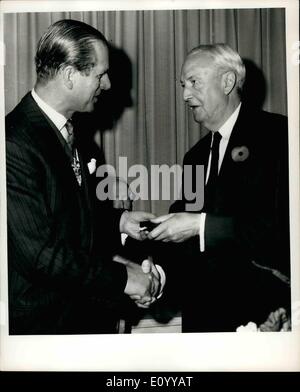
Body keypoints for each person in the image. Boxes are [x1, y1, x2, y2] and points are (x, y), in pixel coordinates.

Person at [5, 19, 162, 335]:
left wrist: (119, 221)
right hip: (44, 331)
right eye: (100, 75)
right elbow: (41, 254)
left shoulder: (72, 133)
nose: (107, 85)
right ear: (68, 76)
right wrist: (125, 279)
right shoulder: (13, 143)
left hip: (81, 319)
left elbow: (67, 215)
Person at [148, 44, 290, 332]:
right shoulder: (194, 157)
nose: (185, 95)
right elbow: (182, 233)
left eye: (194, 82)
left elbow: (282, 230)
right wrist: (158, 274)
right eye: (182, 85)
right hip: (202, 322)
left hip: (263, 317)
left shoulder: (280, 137)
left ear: (227, 82)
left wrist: (201, 225)